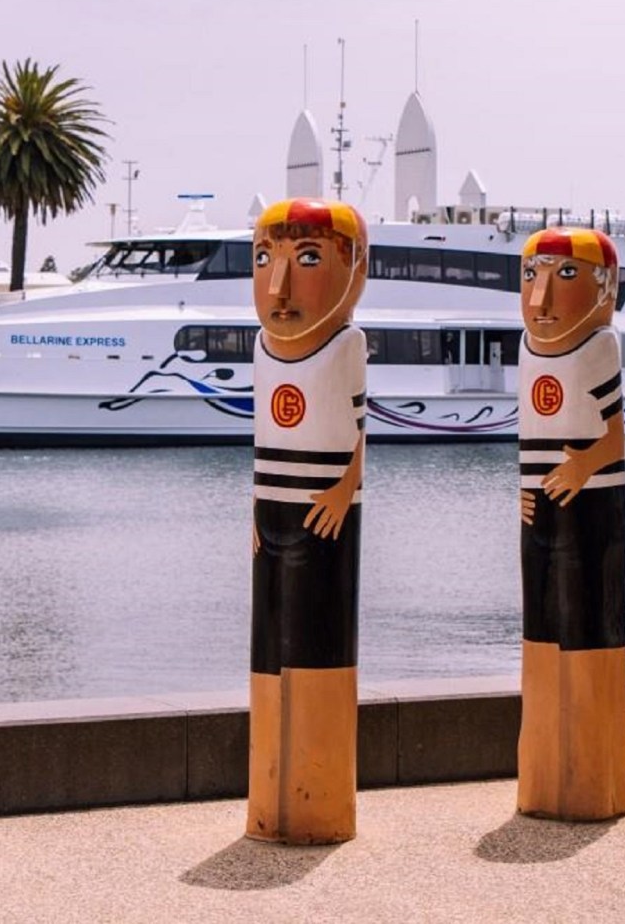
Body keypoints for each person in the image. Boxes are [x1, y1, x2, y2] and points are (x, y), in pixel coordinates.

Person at [247, 197, 367, 846]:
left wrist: (346, 490)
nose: (278, 285)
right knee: (269, 651)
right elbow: (266, 437)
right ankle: (270, 798)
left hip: (324, 518)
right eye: (263, 259)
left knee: (318, 644)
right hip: (272, 516)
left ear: (357, 270)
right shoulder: (265, 350)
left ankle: (315, 801)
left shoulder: (347, 343)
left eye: (308, 259)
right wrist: (256, 511)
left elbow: (357, 434)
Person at [516, 226, 625, 821]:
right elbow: (531, 435)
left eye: (564, 275)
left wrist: (584, 464)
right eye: (531, 274)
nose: (539, 297)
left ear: (604, 287)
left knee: (588, 624)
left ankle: (594, 779)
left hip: (590, 506)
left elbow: (614, 436)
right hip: (538, 508)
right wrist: (524, 488)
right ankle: (541, 774)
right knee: (539, 628)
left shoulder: (598, 347)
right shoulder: (528, 348)